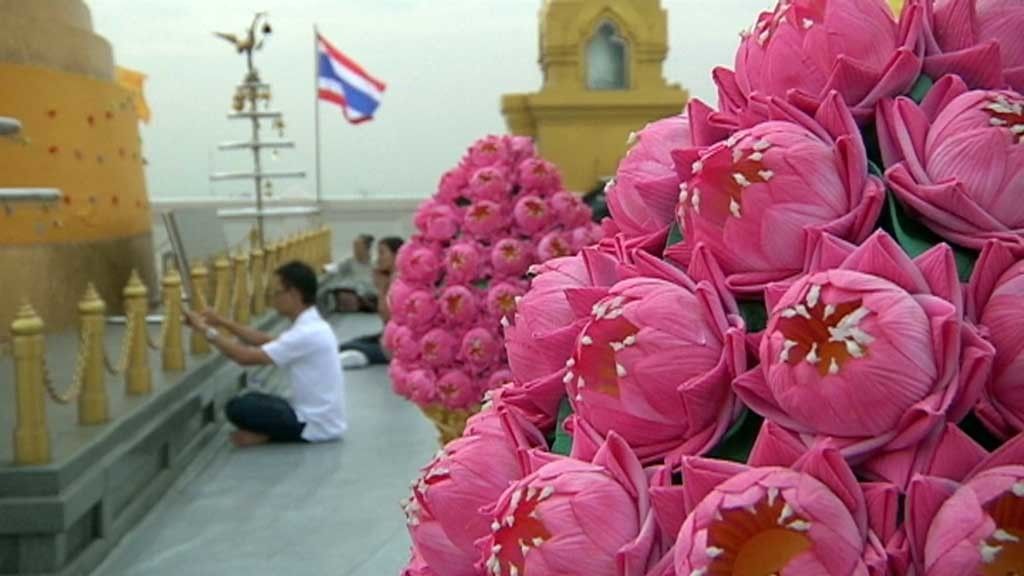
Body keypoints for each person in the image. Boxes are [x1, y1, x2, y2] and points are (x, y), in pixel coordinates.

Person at [184, 260, 347, 447]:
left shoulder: (307, 333)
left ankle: (271, 436)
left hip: (316, 424)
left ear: (294, 294)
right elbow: (266, 341)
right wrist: (221, 321)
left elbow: (244, 357)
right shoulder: (312, 325)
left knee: (237, 407)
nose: (273, 299)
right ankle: (270, 433)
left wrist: (205, 331)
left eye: (276, 293)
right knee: (253, 398)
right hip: (323, 418)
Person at [338, 236, 404, 369]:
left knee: (352, 348)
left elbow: (387, 316)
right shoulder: (390, 277)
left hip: (397, 344)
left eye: (382, 253)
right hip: (386, 335)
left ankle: (362, 358)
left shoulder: (398, 280)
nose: (378, 258)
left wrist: (381, 289)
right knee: (348, 344)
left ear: (397, 255)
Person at [317, 234, 376, 315]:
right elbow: (337, 267)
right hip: (355, 293)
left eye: (358, 247)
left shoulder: (375, 263)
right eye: (354, 247)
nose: (355, 249)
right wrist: (325, 269)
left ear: (366, 248)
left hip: (370, 293)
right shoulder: (350, 262)